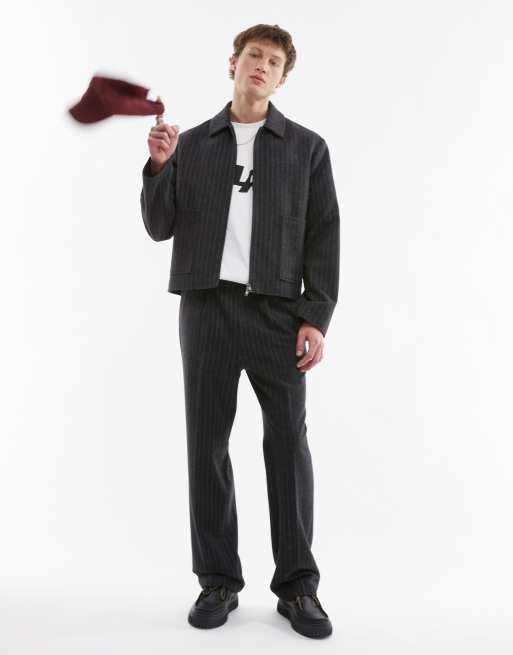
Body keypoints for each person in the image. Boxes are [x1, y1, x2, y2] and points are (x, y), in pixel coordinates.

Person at [140, 23, 340, 639]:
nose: (262, 66)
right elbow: (159, 226)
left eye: (274, 61)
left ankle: (298, 587)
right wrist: (159, 167)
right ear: (233, 63)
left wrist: (314, 316)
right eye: (254, 55)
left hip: (278, 315)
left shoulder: (307, 148)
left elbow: (323, 235)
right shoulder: (192, 145)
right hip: (207, 309)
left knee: (288, 447)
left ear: (283, 78)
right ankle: (217, 580)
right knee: (206, 446)